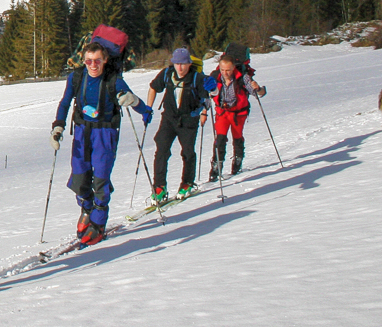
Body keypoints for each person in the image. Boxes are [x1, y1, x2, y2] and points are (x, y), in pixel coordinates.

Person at [50, 41, 152, 245]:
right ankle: (87, 208)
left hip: (105, 132)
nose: (93, 65)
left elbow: (138, 105)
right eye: (89, 60)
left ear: (105, 60)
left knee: (101, 178)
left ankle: (98, 221)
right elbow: (65, 102)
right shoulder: (76, 77)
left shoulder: (114, 80)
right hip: (81, 131)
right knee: (79, 178)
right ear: (84, 61)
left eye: (97, 60)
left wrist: (138, 105)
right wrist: (58, 126)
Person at [146, 47, 209, 202]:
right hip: (169, 118)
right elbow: (153, 87)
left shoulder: (197, 78)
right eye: (177, 64)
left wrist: (204, 112)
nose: (180, 67)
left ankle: (187, 182)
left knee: (187, 151)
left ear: (189, 64)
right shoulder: (167, 74)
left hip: (189, 119)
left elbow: (207, 96)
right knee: (161, 150)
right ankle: (159, 187)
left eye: (183, 64)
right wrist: (148, 108)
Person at [203, 49, 266, 180]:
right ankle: (216, 167)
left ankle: (237, 161)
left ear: (234, 67)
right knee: (219, 139)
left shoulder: (243, 77)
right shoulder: (214, 77)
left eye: (228, 70)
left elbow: (258, 94)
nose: (225, 73)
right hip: (222, 112)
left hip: (239, 114)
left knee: (237, 137)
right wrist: (204, 111)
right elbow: (207, 95)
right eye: (222, 70)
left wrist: (258, 89)